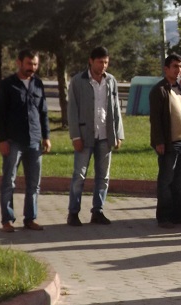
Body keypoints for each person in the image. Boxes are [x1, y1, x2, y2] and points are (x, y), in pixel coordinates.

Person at [66, 46, 124, 227]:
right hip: (84, 135)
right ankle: (73, 213)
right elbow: (72, 110)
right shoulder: (78, 81)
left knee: (103, 176)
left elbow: (115, 108)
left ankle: (97, 211)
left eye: (106, 62)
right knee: (79, 176)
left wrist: (118, 134)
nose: (103, 66)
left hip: (105, 136)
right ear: (91, 61)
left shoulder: (111, 81)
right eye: (100, 62)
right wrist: (75, 136)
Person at [0, 49, 50, 232]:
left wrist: (46, 137)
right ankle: (7, 220)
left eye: (35, 64)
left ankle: (30, 218)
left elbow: (43, 113)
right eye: (29, 64)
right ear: (19, 63)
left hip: (34, 141)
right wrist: (2, 139)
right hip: (13, 141)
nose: (32, 68)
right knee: (9, 181)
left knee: (34, 183)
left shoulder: (38, 84)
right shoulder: (7, 85)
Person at [149, 53, 181, 229]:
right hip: (168, 144)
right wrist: (159, 142)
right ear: (166, 68)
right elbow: (156, 120)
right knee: (166, 180)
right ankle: (164, 217)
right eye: (175, 66)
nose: (178, 70)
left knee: (179, 181)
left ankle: (178, 215)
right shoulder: (159, 90)